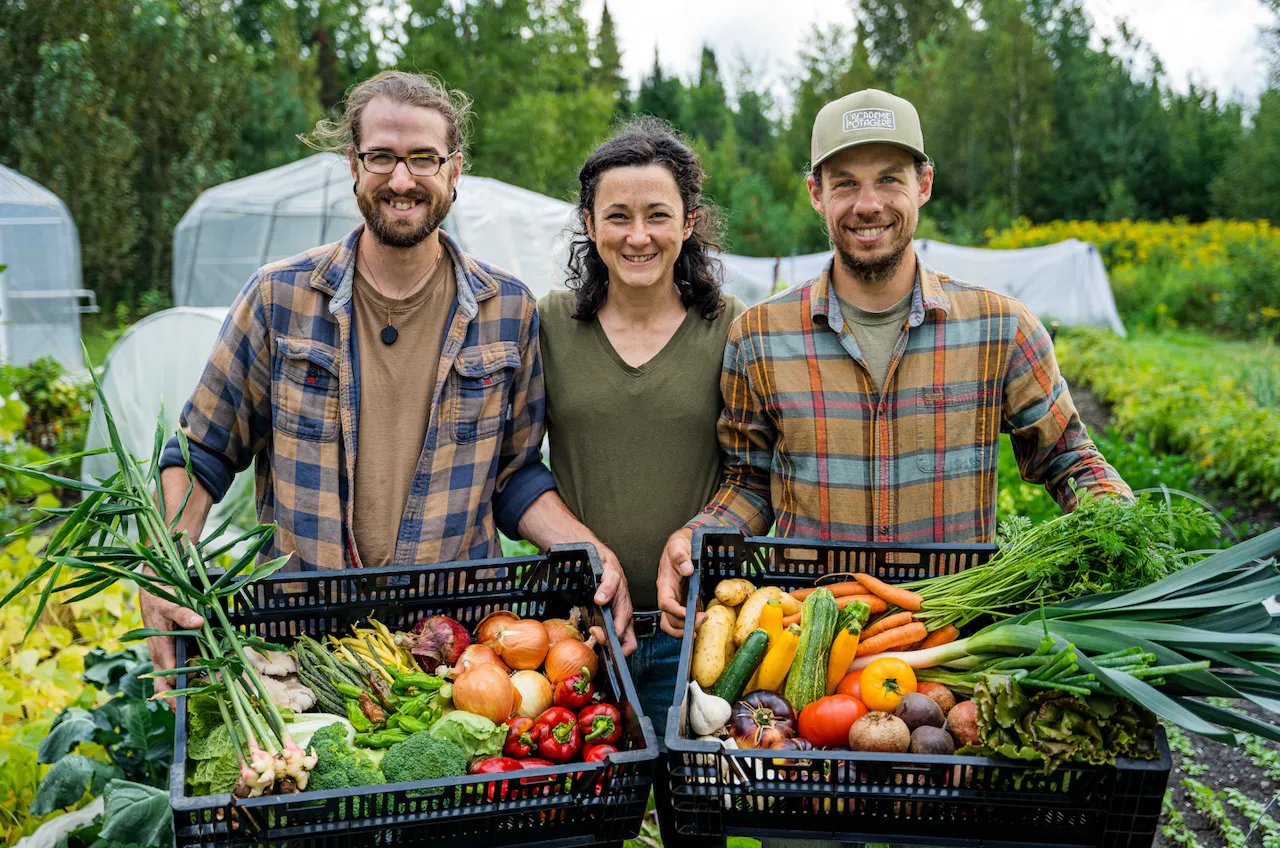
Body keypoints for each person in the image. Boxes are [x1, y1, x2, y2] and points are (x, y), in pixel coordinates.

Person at [658, 88, 1133, 848]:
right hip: (815, 660)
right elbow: (748, 482)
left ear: (925, 185)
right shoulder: (761, 335)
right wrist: (699, 532)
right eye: (844, 181)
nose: (867, 202)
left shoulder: (999, 328)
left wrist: (1124, 530)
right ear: (815, 193)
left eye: (889, 178)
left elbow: (1069, 458)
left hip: (952, 659)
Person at [141, 71, 633, 694]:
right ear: (354, 165)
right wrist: (163, 570)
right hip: (302, 651)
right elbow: (201, 450)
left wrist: (591, 551)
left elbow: (515, 476)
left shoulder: (507, 310)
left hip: (454, 655)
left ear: (455, 170)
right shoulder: (279, 298)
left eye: (423, 158)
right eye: (381, 157)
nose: (402, 180)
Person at [537, 118, 744, 847]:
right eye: (617, 215)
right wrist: (586, 552)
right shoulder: (552, 326)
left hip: (697, 640)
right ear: (589, 223)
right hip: (580, 636)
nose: (638, 235)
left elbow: (756, 473)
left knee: (697, 828)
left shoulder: (731, 331)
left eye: (658, 215)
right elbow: (513, 468)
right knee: (582, 830)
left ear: (689, 222)